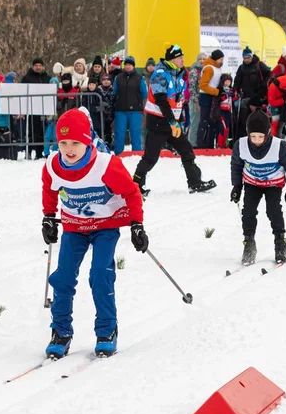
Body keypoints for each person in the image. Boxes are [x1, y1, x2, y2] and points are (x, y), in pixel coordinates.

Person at [40, 108, 146, 358]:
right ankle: (61, 332)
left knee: (100, 275)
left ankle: (107, 330)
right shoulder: (53, 165)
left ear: (87, 140)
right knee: (63, 278)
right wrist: (48, 217)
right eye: (63, 142)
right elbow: (49, 189)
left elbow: (131, 192)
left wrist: (136, 224)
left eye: (75, 142)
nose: (69, 149)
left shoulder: (105, 165)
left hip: (105, 227)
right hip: (74, 227)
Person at [133, 44, 217, 196]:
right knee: (151, 158)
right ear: (172, 59)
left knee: (187, 150)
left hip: (172, 123)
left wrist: (179, 120)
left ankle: (195, 183)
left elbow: (177, 101)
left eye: (182, 57)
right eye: (180, 57)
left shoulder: (178, 73)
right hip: (158, 122)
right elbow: (161, 100)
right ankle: (135, 186)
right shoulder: (160, 73)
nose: (183, 60)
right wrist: (172, 121)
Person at [230, 111, 286, 266]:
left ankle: (280, 241)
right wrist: (237, 187)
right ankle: (249, 243)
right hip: (252, 183)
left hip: (273, 183)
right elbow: (236, 166)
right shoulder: (240, 145)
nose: (257, 141)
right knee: (248, 212)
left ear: (268, 133)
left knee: (273, 210)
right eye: (253, 136)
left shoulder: (279, 146)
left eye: (260, 137)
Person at [233, 46, 271, 139]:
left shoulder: (259, 65)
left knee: (254, 117)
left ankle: (254, 134)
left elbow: (269, 75)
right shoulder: (241, 68)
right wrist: (236, 89)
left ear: (252, 56)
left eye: (248, 57)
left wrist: (263, 88)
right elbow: (237, 81)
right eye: (244, 58)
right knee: (242, 114)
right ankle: (242, 135)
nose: (246, 60)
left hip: (257, 96)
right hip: (245, 96)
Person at [112, 55, 147, 153]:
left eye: (130, 64)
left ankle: (137, 154)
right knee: (119, 133)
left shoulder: (140, 78)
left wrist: (138, 102)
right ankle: (118, 154)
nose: (128, 66)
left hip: (135, 111)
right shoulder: (118, 77)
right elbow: (114, 91)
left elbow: (144, 93)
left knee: (136, 133)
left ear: (133, 66)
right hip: (120, 110)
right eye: (126, 64)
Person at [195, 50, 225, 149]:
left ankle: (209, 143)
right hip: (206, 97)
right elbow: (203, 85)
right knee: (204, 121)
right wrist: (216, 91)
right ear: (216, 59)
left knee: (212, 121)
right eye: (221, 59)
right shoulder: (209, 68)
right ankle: (201, 144)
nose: (222, 61)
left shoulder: (217, 68)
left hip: (212, 97)